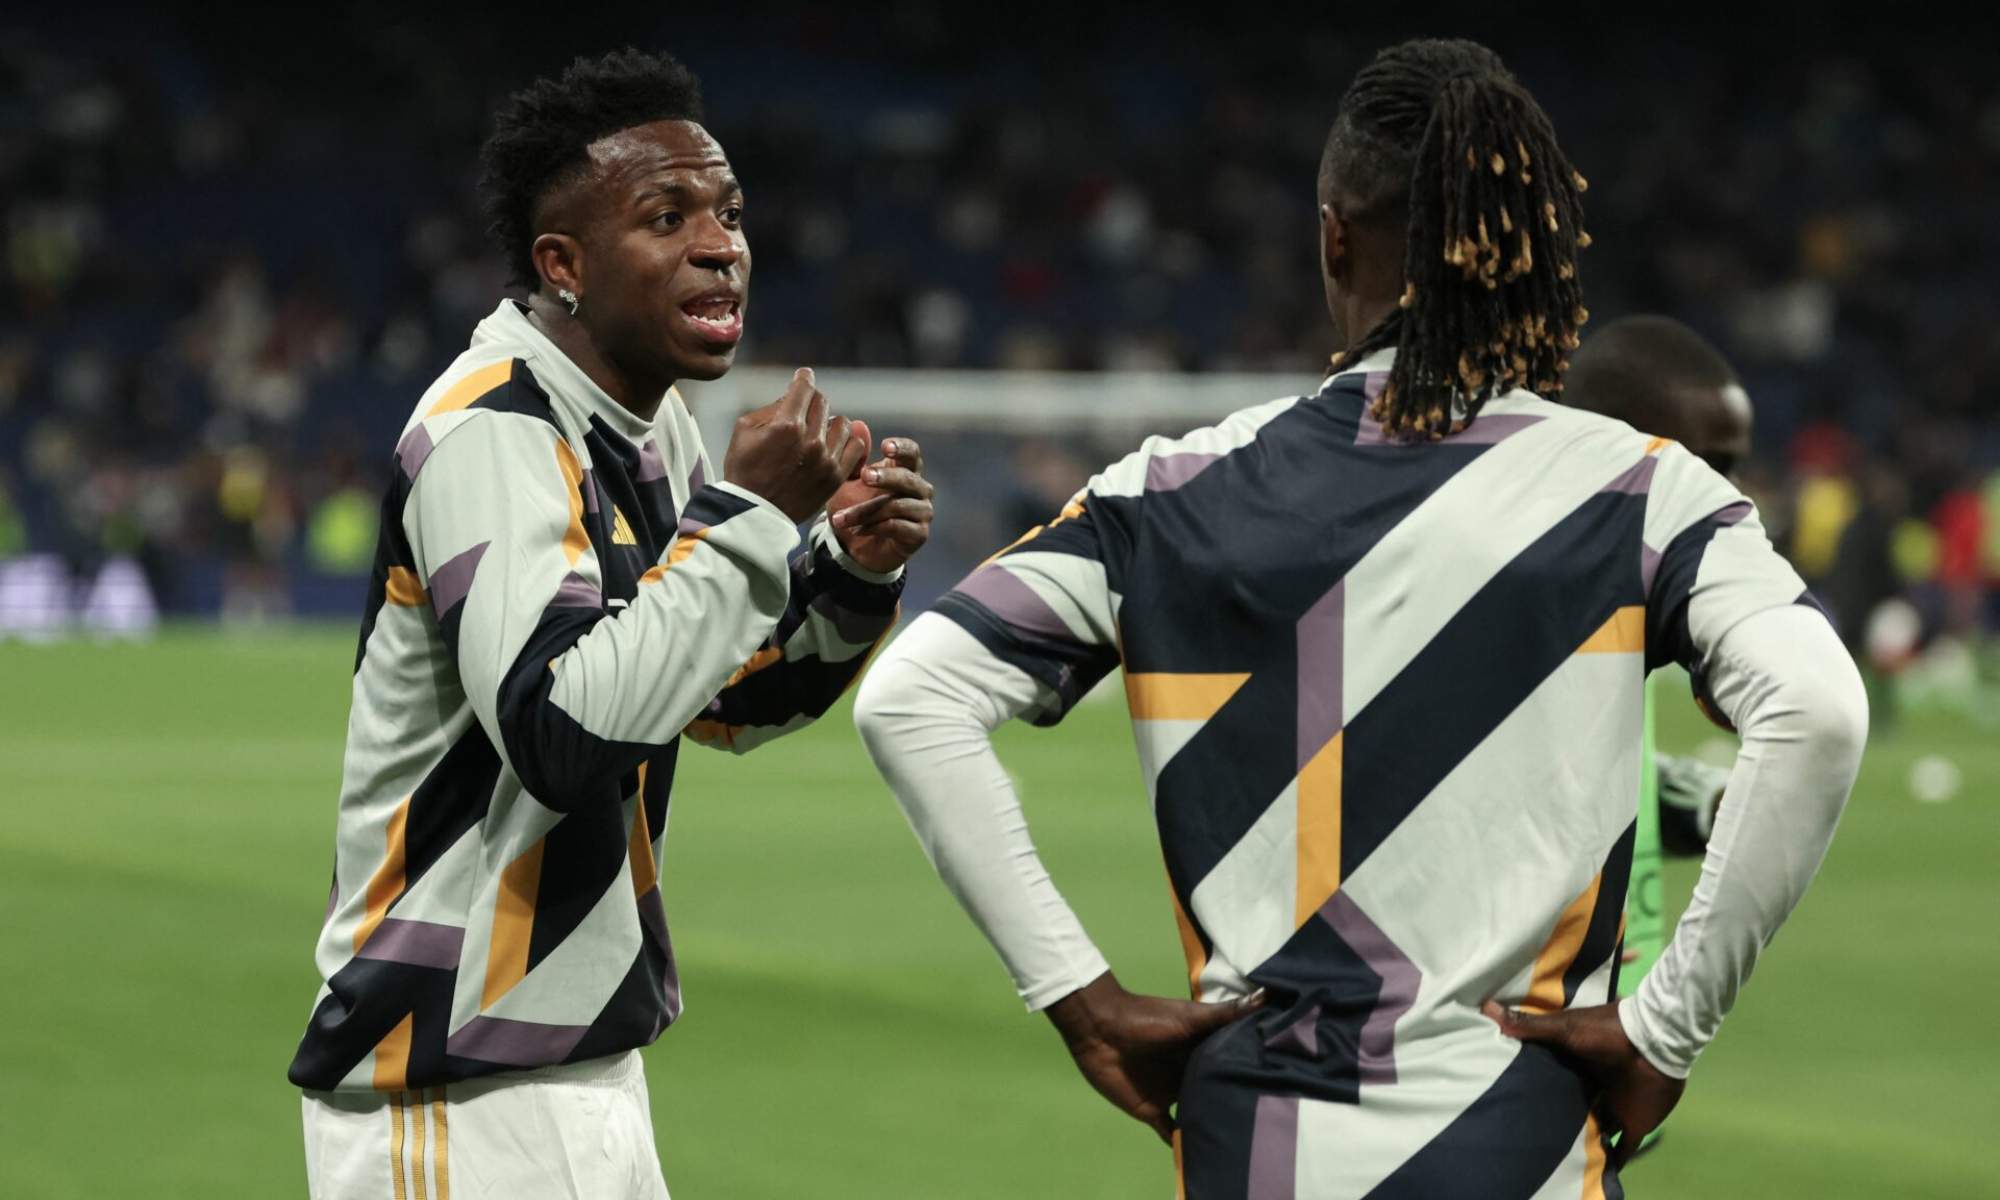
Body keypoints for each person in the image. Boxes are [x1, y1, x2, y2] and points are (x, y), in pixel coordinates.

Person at [855, 37, 1865, 1199]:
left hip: (1257, 1143)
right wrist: (1665, 1029)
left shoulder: (1166, 493)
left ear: (1332, 234)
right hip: (1519, 1139)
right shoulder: (1642, 494)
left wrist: (1078, 998)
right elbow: (1818, 715)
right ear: (1534, 253)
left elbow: (910, 698)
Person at [288, 49, 934, 1199]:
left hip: (575, 1070)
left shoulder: (644, 431)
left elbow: (718, 699)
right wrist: (745, 519)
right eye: (666, 215)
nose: (719, 244)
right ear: (563, 266)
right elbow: (562, 737)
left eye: (728, 213)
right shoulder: (492, 431)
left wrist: (843, 574)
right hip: (451, 1093)